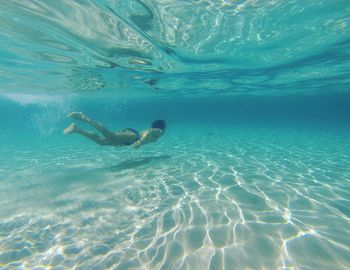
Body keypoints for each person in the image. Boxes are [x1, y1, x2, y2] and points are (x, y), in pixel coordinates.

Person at [63, 112, 166, 148]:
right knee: (109, 135)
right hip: (134, 136)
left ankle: (77, 129)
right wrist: (140, 141)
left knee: (102, 142)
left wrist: (135, 143)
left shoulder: (159, 133)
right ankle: (84, 117)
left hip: (129, 141)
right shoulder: (158, 131)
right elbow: (149, 132)